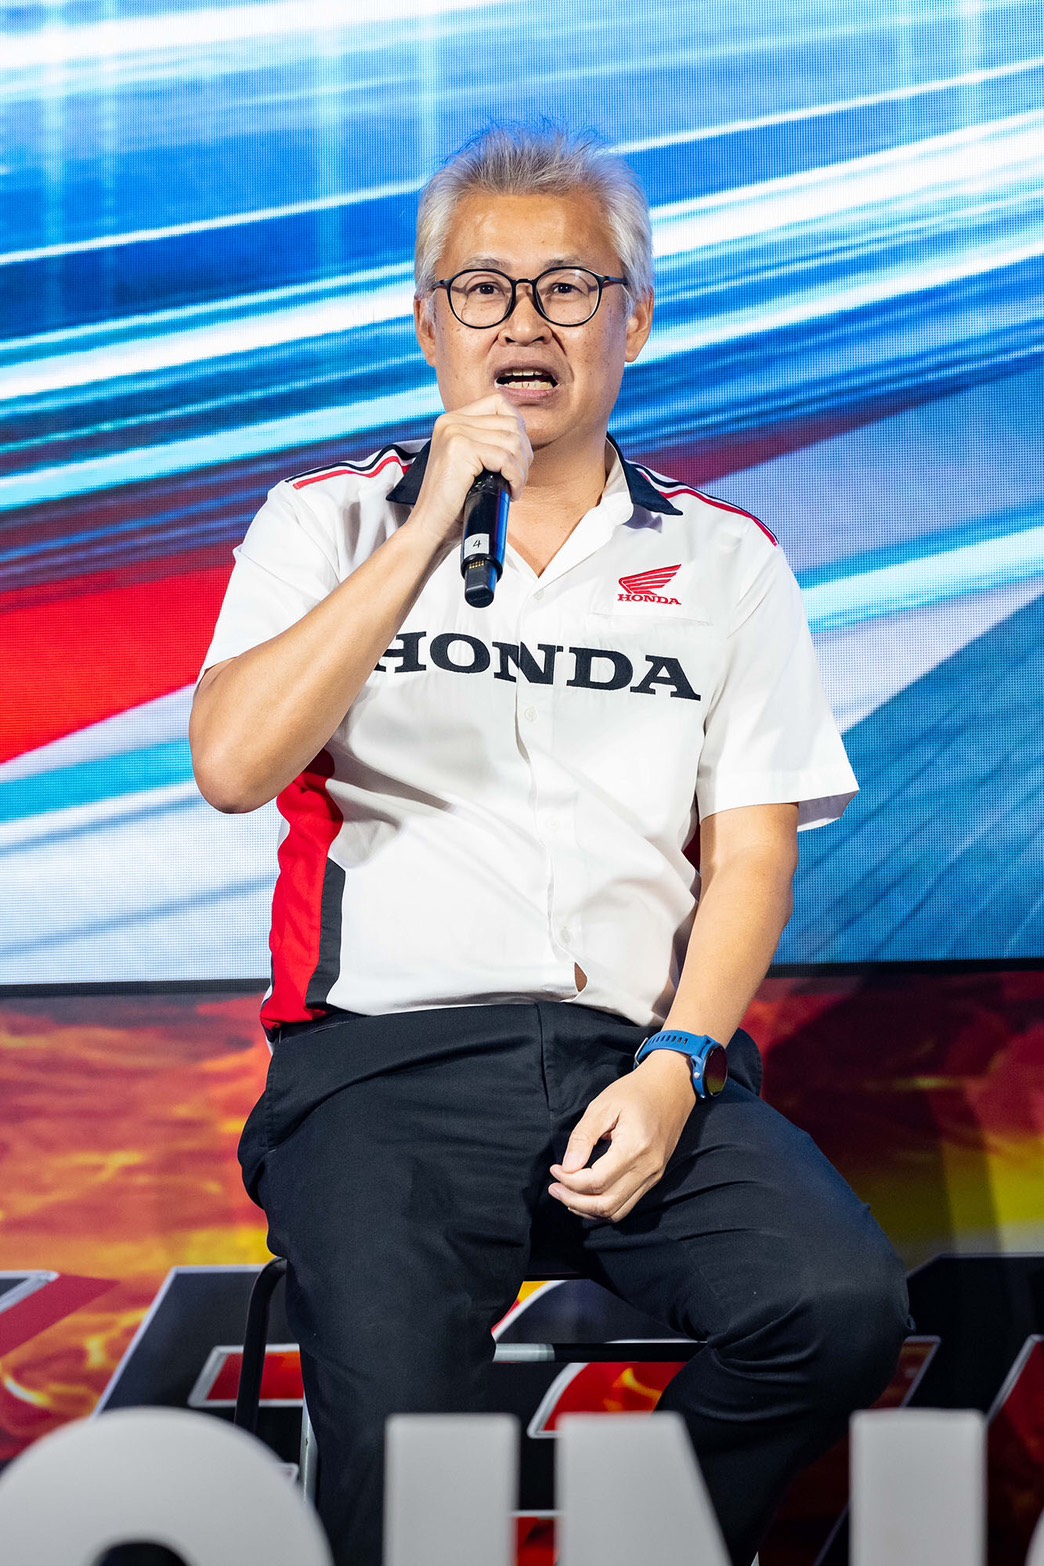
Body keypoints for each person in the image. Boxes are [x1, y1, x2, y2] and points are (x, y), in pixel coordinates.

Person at [191, 124, 909, 1566]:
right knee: (412, 1458)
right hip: (380, 1068)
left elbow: (752, 853)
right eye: (482, 288)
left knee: (833, 1306)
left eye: (569, 286)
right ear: (427, 321)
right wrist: (425, 528)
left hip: (636, 1060)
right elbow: (233, 763)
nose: (524, 322)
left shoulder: (725, 559)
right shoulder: (322, 522)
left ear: (633, 319)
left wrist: (679, 1064)